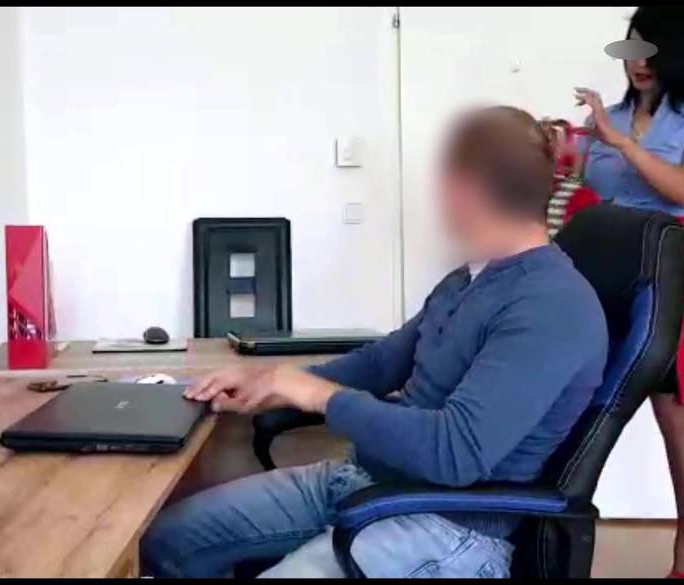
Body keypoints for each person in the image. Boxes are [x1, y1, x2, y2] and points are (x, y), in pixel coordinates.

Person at [140, 106, 609, 578]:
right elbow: (383, 363)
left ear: (464, 189)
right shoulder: (471, 276)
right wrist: (270, 383)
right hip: (368, 484)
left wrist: (319, 395)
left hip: (448, 528)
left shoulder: (551, 305)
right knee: (168, 541)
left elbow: (456, 452)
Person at [574, 6, 684, 577]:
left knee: (676, 420)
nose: (638, 61)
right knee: (578, 406)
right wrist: (557, 146)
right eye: (632, 47)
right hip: (608, 275)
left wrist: (619, 142)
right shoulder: (608, 118)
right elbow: (580, 184)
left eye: (651, 48)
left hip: (672, 277)